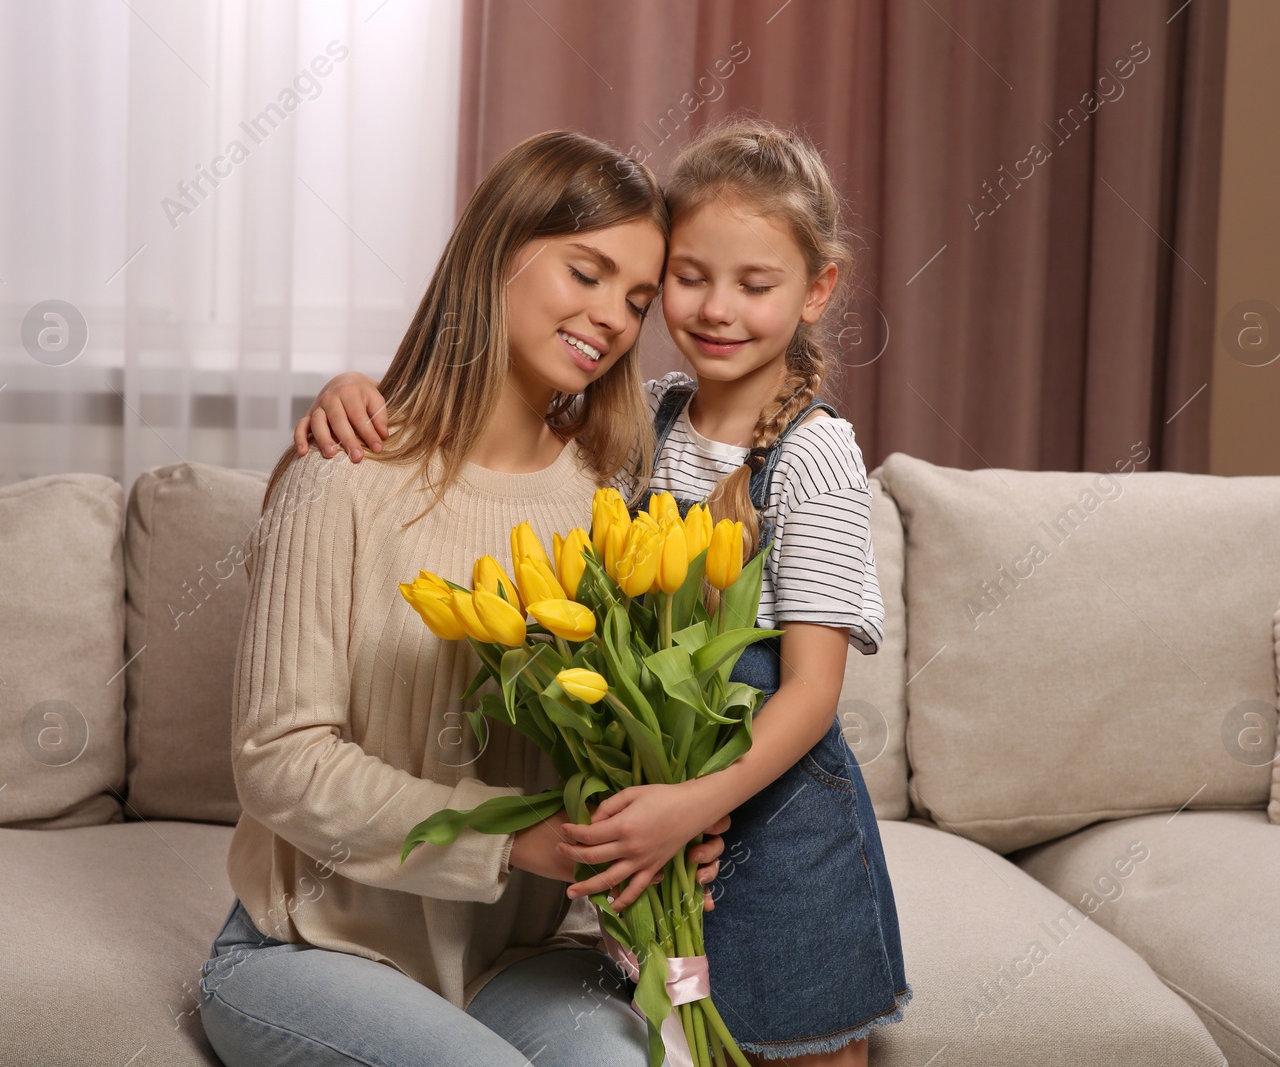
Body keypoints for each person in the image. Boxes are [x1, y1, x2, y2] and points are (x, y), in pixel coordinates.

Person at [298, 118, 909, 1067]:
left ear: (817, 290)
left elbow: (813, 692)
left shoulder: (815, 454)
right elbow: (490, 430)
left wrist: (693, 801)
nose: (716, 309)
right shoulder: (642, 417)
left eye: (756, 285)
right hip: (659, 846)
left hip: (782, 841)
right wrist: (354, 387)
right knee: (676, 1039)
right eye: (689, 277)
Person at [201, 129, 733, 1067]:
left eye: (636, 299)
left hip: (525, 960)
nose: (611, 316)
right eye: (587, 272)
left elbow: (608, 745)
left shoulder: (606, 505)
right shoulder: (346, 478)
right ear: (500, 251)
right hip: (311, 951)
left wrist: (664, 821)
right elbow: (277, 758)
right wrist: (512, 840)